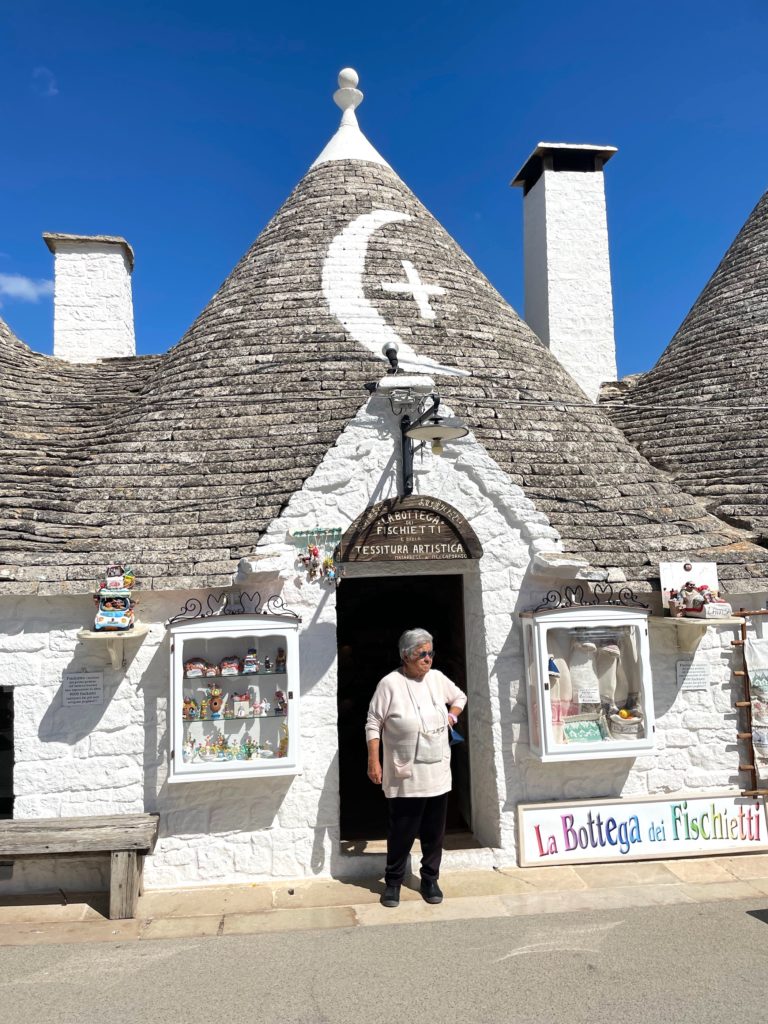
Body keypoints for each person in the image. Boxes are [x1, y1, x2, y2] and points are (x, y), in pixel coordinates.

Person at [365, 628, 467, 908]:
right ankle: (394, 881)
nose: (428, 659)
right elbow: (373, 723)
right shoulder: (390, 684)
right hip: (405, 772)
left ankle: (430, 879)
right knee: (402, 830)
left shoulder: (436, 678)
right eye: (422, 654)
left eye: (430, 653)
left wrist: (451, 717)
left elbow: (460, 698)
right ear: (406, 656)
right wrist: (374, 760)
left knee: (434, 831)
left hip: (436, 769)